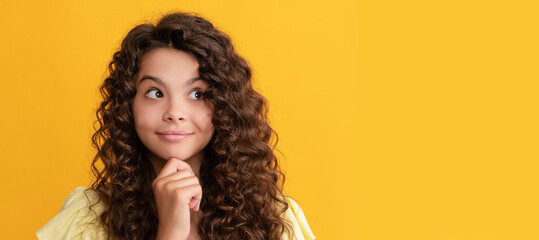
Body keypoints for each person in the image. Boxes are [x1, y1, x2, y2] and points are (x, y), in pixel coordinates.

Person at [36, 12, 315, 240]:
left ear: (225, 106)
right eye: (155, 93)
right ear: (128, 105)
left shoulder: (276, 219)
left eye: (197, 94)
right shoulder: (86, 218)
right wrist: (170, 232)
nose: (175, 113)